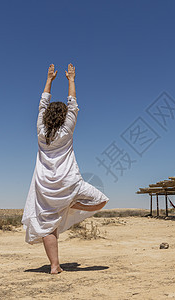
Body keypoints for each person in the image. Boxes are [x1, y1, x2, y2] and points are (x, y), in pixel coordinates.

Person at [22, 63, 109, 274]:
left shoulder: (40, 131)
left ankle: (54, 266)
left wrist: (49, 79)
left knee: (47, 225)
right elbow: (74, 105)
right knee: (101, 201)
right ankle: (70, 205)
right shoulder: (67, 130)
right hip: (69, 182)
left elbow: (43, 104)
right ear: (63, 117)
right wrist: (71, 79)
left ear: (46, 117)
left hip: (44, 185)